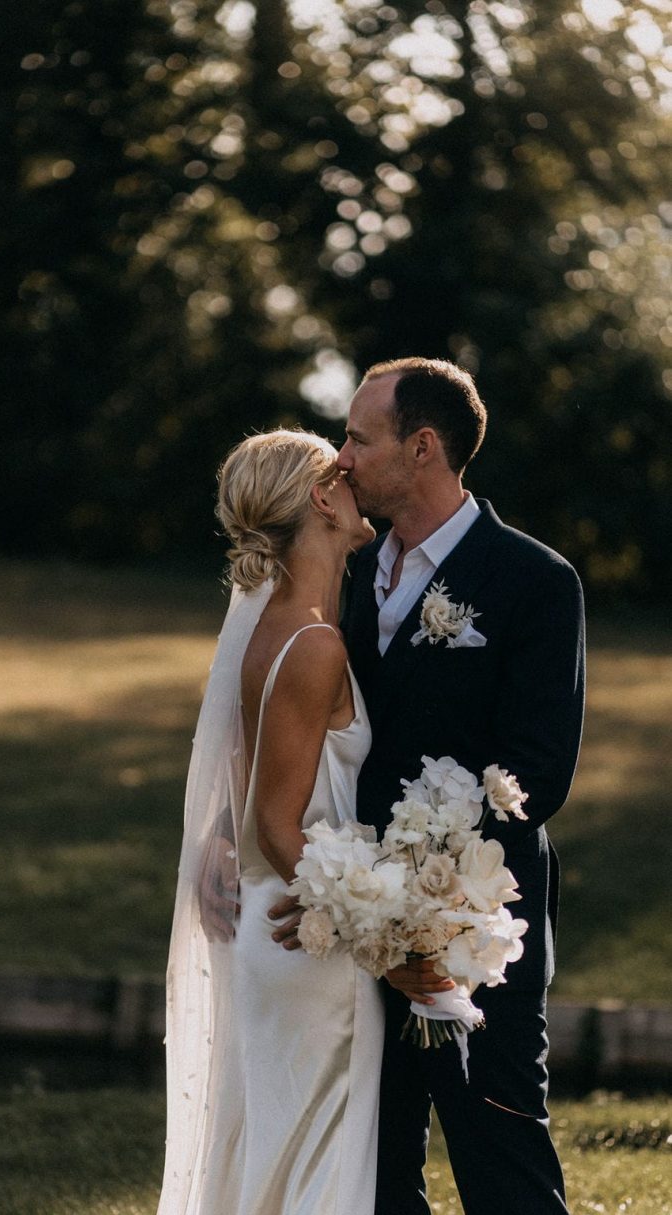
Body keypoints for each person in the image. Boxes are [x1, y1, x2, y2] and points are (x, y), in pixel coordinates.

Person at [332, 357, 585, 1214]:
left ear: (423, 447)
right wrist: (370, 893)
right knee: (375, 1154)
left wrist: (427, 899)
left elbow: (538, 770)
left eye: (359, 439)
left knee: (497, 1136)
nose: (341, 457)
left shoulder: (535, 581)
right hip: (358, 908)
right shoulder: (349, 568)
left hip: (479, 914)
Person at [159, 429, 401, 1215]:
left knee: (278, 1162)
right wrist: (375, 931)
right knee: (319, 1174)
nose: (356, 470)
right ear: (323, 500)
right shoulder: (314, 643)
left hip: (277, 926)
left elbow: (245, 784)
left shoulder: (274, 629)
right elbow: (273, 822)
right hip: (310, 936)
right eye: (341, 467)